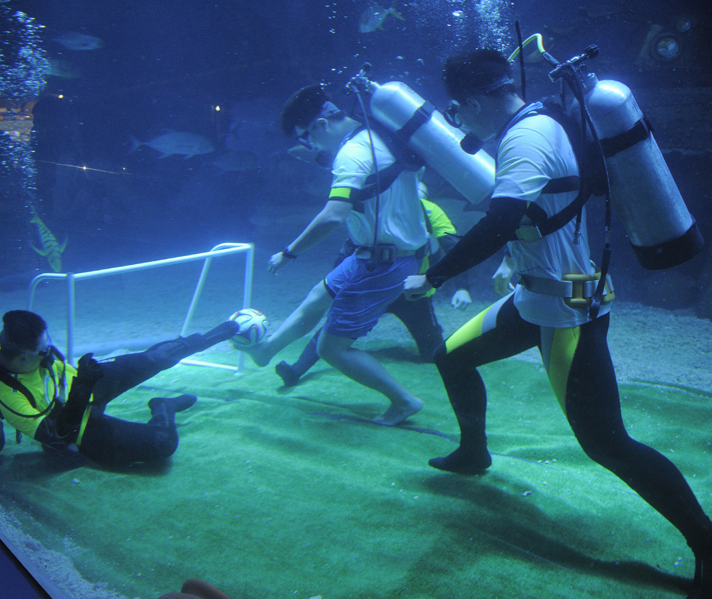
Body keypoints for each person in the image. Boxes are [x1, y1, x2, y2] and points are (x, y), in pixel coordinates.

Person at [403, 48, 712, 598]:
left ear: (473, 101)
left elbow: (499, 220)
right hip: (536, 301)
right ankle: (474, 451)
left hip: (567, 312)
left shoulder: (526, 137)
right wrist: (508, 261)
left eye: (457, 110)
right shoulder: (539, 123)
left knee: (608, 443)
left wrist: (434, 274)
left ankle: (709, 544)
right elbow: (533, 214)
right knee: (451, 356)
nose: (458, 123)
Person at [238, 84, 430, 426]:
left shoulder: (352, 154)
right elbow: (371, 173)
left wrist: (289, 252)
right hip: (377, 254)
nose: (310, 144)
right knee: (317, 297)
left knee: (331, 348)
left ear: (321, 125)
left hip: (384, 262)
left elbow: (332, 216)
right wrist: (314, 155)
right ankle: (265, 352)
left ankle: (403, 401)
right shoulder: (375, 136)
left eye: (307, 137)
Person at [0, 310, 238, 466]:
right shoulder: (11, 398)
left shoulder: (11, 341)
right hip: (76, 426)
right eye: (44, 350)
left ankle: (212, 336)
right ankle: (164, 406)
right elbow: (57, 436)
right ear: (23, 359)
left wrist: (84, 380)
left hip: (84, 382)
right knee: (163, 444)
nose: (50, 352)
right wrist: (82, 387)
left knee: (155, 359)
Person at [275, 195, 471, 387]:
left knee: (433, 353)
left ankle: (443, 339)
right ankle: (297, 369)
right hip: (376, 287)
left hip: (414, 294)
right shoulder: (377, 208)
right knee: (335, 327)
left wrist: (462, 287)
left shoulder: (429, 210)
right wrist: (340, 288)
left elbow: (455, 247)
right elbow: (349, 250)